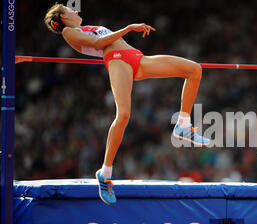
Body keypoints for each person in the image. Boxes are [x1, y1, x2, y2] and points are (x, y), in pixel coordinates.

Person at [44, 3, 210, 205]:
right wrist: (128, 28)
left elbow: (86, 20)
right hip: (117, 61)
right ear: (62, 18)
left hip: (138, 58)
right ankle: (105, 173)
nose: (76, 11)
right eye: (70, 11)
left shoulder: (82, 26)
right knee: (123, 115)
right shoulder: (69, 32)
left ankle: (183, 125)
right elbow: (98, 45)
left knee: (194, 70)